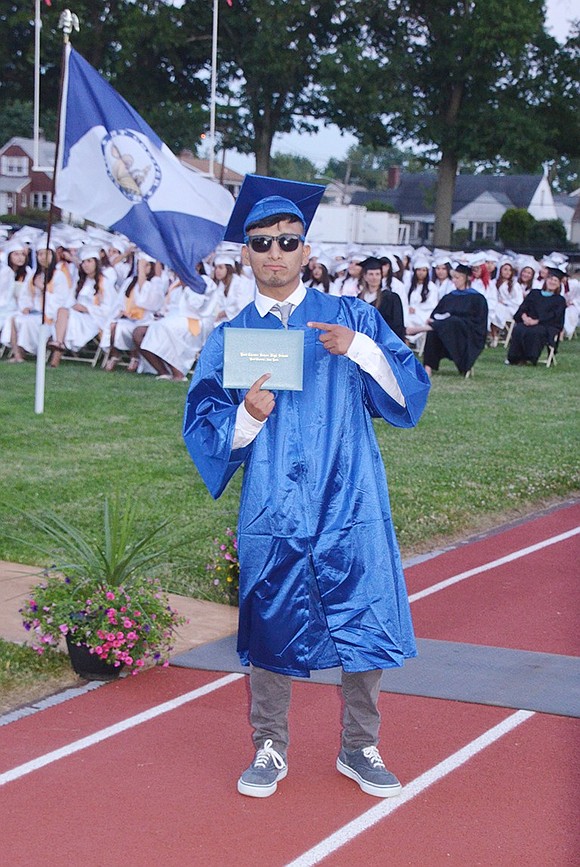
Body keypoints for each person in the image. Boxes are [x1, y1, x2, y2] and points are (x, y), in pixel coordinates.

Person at [183, 177, 430, 801]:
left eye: (287, 242)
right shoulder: (232, 336)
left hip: (349, 491)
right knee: (271, 615)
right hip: (274, 500)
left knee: (362, 610)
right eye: (261, 242)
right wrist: (248, 416)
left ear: (305, 250)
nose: (275, 252)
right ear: (245, 253)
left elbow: (409, 393)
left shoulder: (349, 317)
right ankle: (269, 744)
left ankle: (359, 745)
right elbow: (203, 423)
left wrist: (362, 351)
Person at [407, 263, 488, 377]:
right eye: (453, 278)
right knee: (436, 329)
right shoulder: (450, 296)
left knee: (453, 321)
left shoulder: (477, 298)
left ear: (467, 278)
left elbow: (479, 322)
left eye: (457, 278)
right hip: (446, 333)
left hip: (466, 334)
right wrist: (432, 319)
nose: (454, 281)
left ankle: (421, 329)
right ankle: (428, 367)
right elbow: (437, 313)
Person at [506, 267, 566, 365]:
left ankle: (530, 357)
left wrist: (537, 321)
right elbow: (523, 307)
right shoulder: (534, 293)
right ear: (546, 280)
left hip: (546, 325)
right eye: (550, 279)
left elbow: (555, 316)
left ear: (559, 284)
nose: (552, 282)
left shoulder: (559, 300)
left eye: (555, 280)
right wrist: (524, 317)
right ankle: (514, 358)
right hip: (527, 321)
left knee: (536, 331)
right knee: (519, 329)